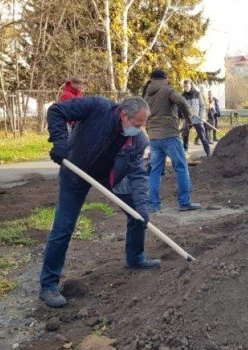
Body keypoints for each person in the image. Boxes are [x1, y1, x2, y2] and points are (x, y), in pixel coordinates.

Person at [40, 96, 159, 308]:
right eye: (137, 124)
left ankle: (136, 257)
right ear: (123, 114)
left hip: (111, 176)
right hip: (76, 173)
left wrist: (141, 207)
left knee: (137, 214)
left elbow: (138, 174)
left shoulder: (137, 139)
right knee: (63, 228)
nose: (139, 129)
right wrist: (59, 142)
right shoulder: (97, 107)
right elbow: (56, 111)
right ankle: (48, 285)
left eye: (142, 125)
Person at [143, 69, 201, 212]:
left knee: (155, 171)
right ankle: (184, 202)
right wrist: (189, 119)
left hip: (154, 138)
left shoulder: (146, 94)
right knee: (181, 168)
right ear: (165, 79)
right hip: (169, 135)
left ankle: (153, 204)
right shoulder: (168, 90)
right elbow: (181, 101)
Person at [181, 79, 210, 156]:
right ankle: (185, 150)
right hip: (188, 119)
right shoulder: (183, 96)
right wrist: (185, 115)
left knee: (202, 136)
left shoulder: (197, 94)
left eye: (187, 86)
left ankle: (208, 152)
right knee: (185, 134)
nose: (185, 88)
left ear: (191, 85)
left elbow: (202, 106)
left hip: (197, 119)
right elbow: (182, 107)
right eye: (184, 86)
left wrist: (200, 116)